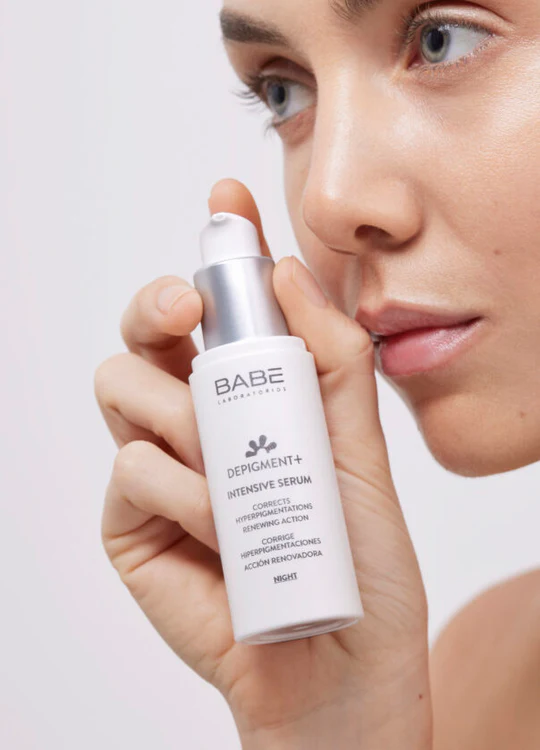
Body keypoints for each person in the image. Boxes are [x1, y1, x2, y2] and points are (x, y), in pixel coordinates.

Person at [94, 1, 540, 747]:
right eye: (284, 91)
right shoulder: (481, 678)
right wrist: (339, 727)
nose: (326, 202)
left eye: (441, 40)